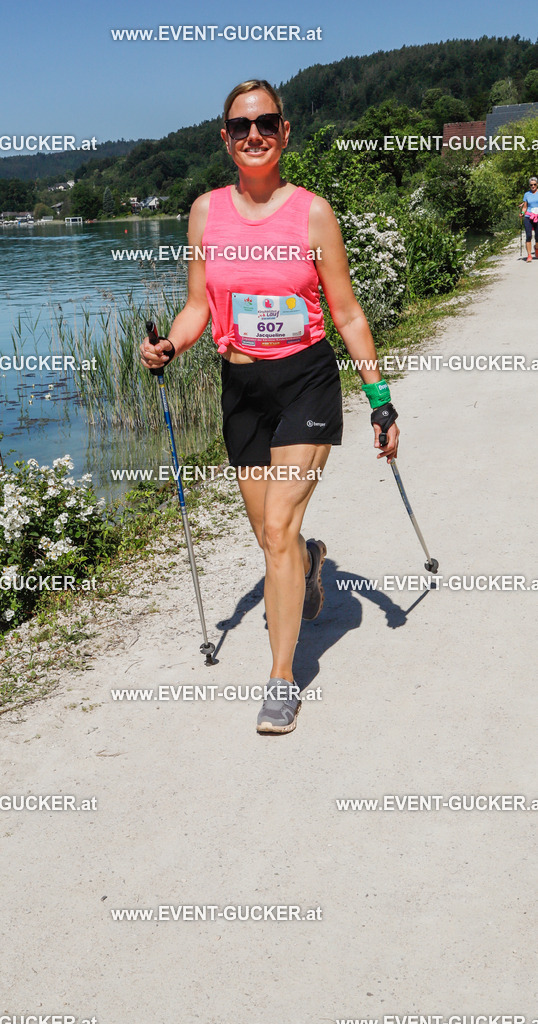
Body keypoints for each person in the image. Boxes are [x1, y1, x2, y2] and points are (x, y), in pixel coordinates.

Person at [139, 79, 399, 735]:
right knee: (271, 537)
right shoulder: (205, 213)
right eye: (238, 127)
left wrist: (379, 399)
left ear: (284, 133)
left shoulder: (313, 213)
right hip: (242, 389)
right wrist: (172, 342)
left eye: (265, 123)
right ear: (224, 139)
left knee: (277, 529)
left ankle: (282, 678)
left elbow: (346, 311)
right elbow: (199, 305)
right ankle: (311, 563)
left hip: (305, 380)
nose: (252, 135)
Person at [520, 176, 538, 261]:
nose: (533, 186)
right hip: (528, 216)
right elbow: (525, 206)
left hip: (537, 216)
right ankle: (529, 255)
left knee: (537, 237)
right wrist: (522, 213)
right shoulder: (527, 194)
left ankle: (536, 248)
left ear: (537, 184)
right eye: (531, 185)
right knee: (528, 235)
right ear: (529, 185)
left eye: (534, 184)